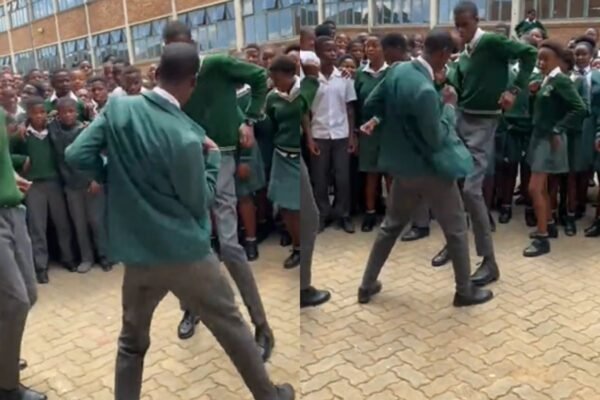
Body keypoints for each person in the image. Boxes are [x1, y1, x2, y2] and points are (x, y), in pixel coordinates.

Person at [64, 42, 294, 400]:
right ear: (192, 82)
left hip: (139, 256)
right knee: (230, 325)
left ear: (155, 73)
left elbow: (76, 153)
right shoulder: (186, 135)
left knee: (131, 343)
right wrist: (214, 161)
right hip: (186, 254)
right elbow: (198, 201)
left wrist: (111, 175)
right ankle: (269, 395)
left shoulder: (119, 107)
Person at [356, 30, 493, 307]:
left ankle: (367, 284)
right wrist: (449, 107)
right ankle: (464, 291)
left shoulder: (398, 71)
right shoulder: (424, 91)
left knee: (390, 227)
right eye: (450, 54)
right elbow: (437, 137)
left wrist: (382, 121)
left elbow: (373, 104)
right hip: (431, 171)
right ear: (442, 53)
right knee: (455, 229)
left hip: (401, 170)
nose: (451, 59)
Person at [163, 22, 274, 362]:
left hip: (223, 155)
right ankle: (190, 310)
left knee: (229, 245)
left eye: (183, 47)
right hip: (188, 159)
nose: (179, 55)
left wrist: (249, 119)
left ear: (193, 45)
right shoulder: (167, 77)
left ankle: (261, 324)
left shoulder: (216, 65)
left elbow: (259, 78)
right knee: (188, 243)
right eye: (172, 48)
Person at [431, 1, 537, 285]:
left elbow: (529, 53)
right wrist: (443, 81)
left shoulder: (491, 42)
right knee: (451, 183)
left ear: (477, 20)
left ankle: (489, 262)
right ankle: (456, 244)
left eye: (465, 24)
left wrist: (514, 90)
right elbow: (459, 85)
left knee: (472, 191)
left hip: (484, 122)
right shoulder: (466, 52)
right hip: (462, 118)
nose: (461, 30)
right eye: (457, 25)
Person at [0, 107, 47, 400]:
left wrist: (11, 176)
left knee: (28, 294)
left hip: (13, 212)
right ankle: (6, 386)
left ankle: (4, 357)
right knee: (15, 301)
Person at [524, 40, 585, 256]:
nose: (540, 62)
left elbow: (580, 108)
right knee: (542, 188)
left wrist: (559, 128)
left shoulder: (561, 80)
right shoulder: (546, 80)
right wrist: (534, 94)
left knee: (534, 188)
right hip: (539, 137)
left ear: (558, 60)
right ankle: (548, 225)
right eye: (538, 58)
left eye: (545, 59)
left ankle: (542, 239)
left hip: (550, 139)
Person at [11, 97, 77, 284]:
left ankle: (68, 258)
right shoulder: (22, 135)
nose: (39, 116)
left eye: (42, 112)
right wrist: (22, 160)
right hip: (34, 185)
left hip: (55, 182)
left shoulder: (54, 130)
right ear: (28, 114)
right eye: (35, 113)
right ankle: (41, 266)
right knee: (37, 227)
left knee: (62, 223)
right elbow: (8, 153)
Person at [48, 97, 109, 273]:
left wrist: (97, 178)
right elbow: (36, 118)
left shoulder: (87, 130)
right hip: (71, 185)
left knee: (97, 221)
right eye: (63, 112)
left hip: (92, 183)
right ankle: (86, 258)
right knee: (79, 223)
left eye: (71, 111)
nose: (68, 115)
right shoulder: (54, 129)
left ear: (77, 112)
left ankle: (104, 255)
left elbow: (102, 155)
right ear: (58, 115)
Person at [308, 36, 357, 234]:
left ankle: (342, 214)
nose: (333, 53)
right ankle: (322, 214)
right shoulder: (311, 80)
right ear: (318, 53)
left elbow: (350, 108)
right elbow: (305, 111)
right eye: (328, 50)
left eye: (335, 50)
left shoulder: (345, 78)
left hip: (341, 135)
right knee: (319, 179)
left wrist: (352, 136)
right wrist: (309, 138)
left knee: (342, 178)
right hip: (319, 134)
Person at [354, 35, 390, 233]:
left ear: (383, 48)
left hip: (388, 130)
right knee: (371, 174)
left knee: (390, 174)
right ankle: (370, 213)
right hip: (366, 131)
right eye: (367, 46)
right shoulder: (360, 74)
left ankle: (393, 215)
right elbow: (355, 104)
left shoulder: (391, 72)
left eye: (375, 45)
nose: (370, 49)